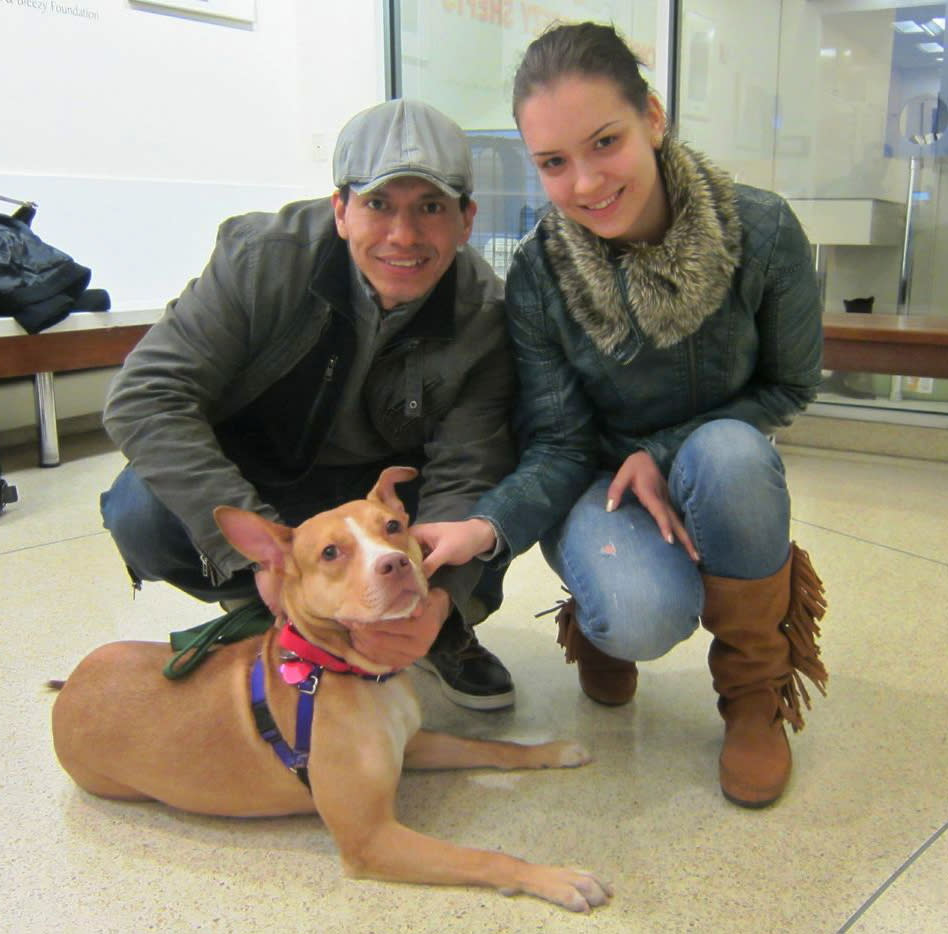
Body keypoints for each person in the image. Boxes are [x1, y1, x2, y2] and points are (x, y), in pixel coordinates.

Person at [414, 22, 828, 806]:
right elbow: (558, 440)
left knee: (732, 453)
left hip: (717, 456)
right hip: (596, 477)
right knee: (640, 615)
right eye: (553, 163)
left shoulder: (764, 232)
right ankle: (600, 614)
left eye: (605, 141)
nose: (586, 183)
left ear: (655, 119)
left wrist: (663, 451)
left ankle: (753, 693)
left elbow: (790, 386)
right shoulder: (538, 271)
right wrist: (487, 526)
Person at [100, 99, 517, 711]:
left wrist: (440, 597)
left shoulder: (485, 314)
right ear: (341, 211)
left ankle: (434, 632)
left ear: (466, 220)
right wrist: (267, 555)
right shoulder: (259, 261)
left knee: (499, 490)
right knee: (140, 510)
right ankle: (268, 609)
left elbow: (469, 469)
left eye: (431, 207)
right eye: (379, 205)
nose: (404, 236)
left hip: (391, 503)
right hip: (261, 480)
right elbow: (145, 396)